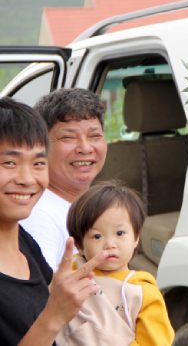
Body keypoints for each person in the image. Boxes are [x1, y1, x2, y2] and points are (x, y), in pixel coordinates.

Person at [0, 97, 107, 346]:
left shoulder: (23, 242)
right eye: (9, 163)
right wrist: (54, 315)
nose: (27, 179)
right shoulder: (39, 222)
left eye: (38, 163)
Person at [56, 181, 174, 345]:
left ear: (136, 238)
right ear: (79, 245)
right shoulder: (70, 276)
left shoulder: (141, 293)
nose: (110, 244)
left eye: (120, 233)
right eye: (97, 236)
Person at [21, 88, 107, 270]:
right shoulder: (38, 217)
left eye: (94, 136)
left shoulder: (90, 206)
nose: (85, 148)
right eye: (68, 138)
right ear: (40, 146)